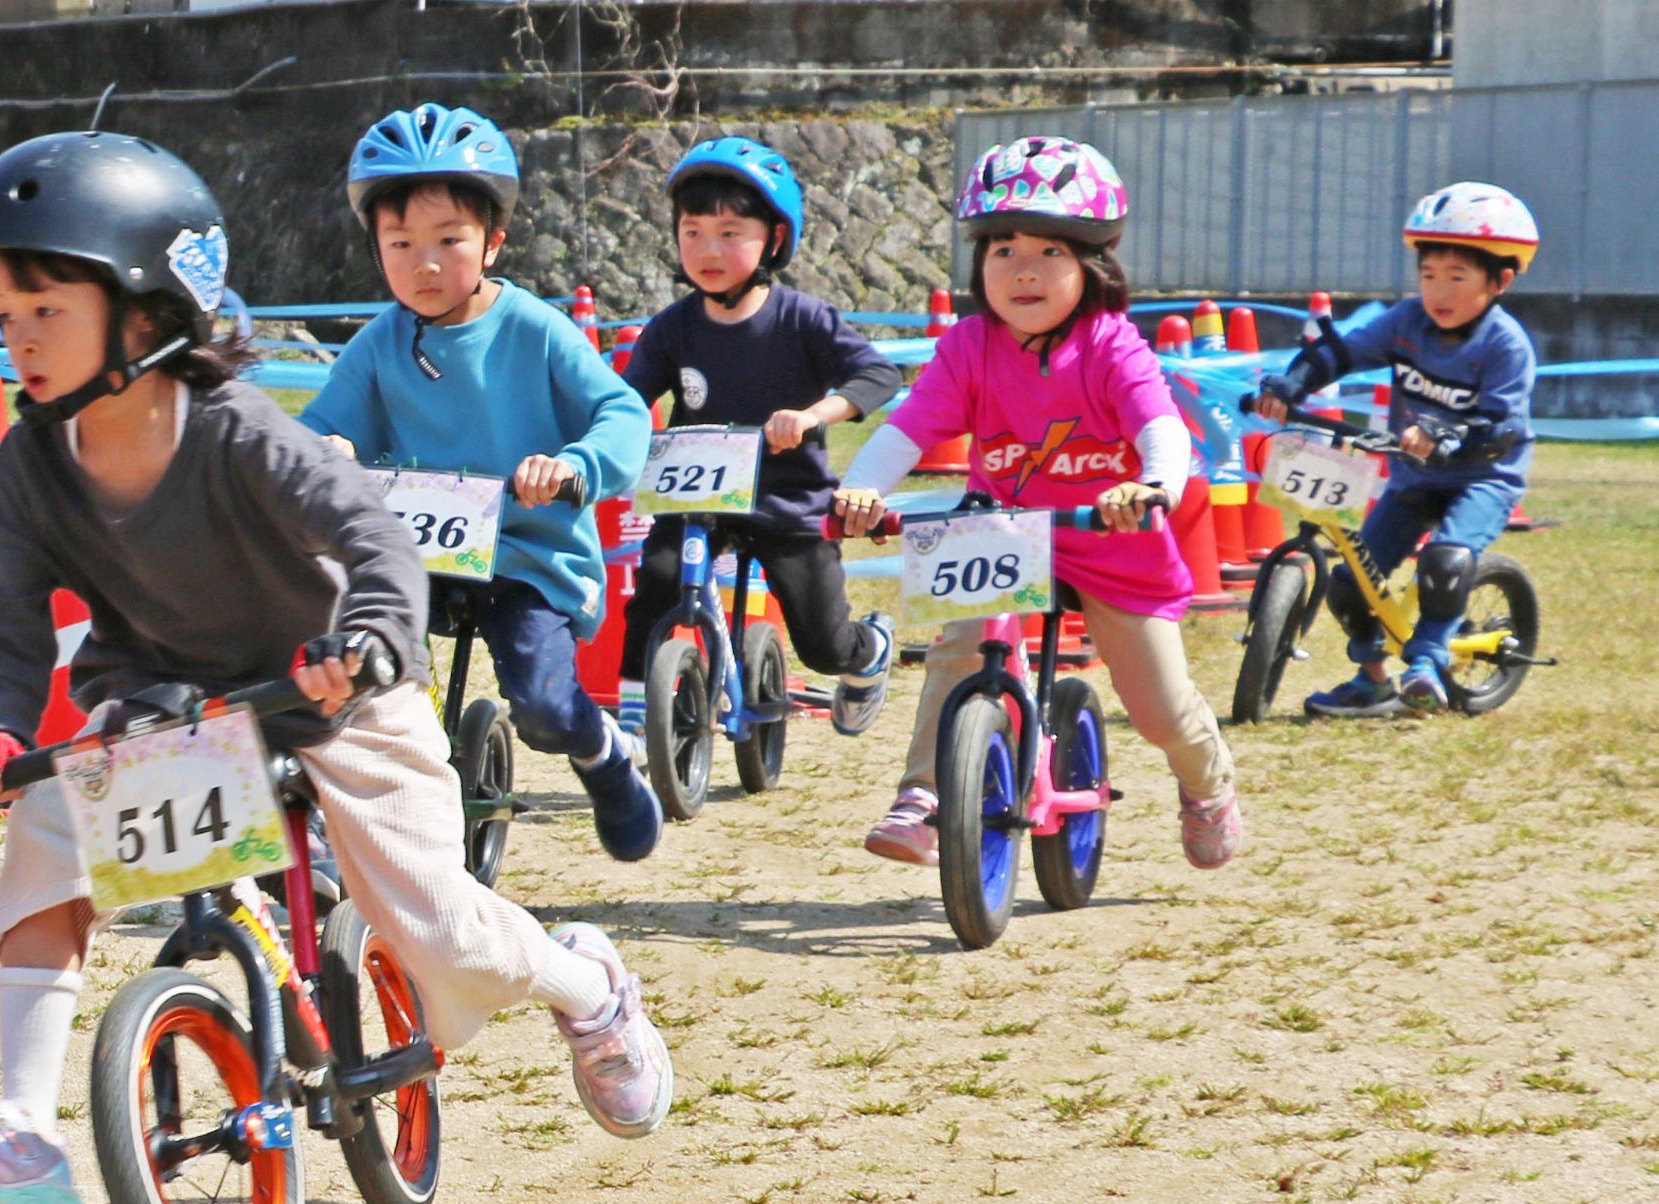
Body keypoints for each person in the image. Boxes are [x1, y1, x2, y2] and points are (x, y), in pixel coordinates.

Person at [0, 131, 672, 1204]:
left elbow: (369, 533)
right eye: (5, 313)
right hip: (174, 706)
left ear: (148, 312)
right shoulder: (28, 467)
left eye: (48, 309)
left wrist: (371, 633)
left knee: (442, 933)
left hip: (337, 688)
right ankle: (21, 1127)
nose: (20, 338)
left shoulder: (231, 428)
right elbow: (5, 624)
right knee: (50, 828)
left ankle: (585, 985)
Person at [834, 136, 1242, 871]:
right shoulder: (968, 346)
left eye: (1050, 251)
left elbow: (1160, 425)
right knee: (959, 649)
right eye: (1003, 250)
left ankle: (1207, 785)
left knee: (1160, 709)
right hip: (1006, 534)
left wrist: (1152, 486)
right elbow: (907, 429)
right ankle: (924, 795)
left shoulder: (1111, 344)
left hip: (1113, 542)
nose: (1023, 270)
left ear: (1092, 265)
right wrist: (860, 489)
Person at [297, 103, 661, 861]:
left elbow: (621, 412)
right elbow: (317, 426)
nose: (424, 264)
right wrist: (324, 447)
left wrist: (574, 466)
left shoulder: (535, 328)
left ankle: (604, 755)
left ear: (494, 241)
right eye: (401, 244)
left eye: (449, 240)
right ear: (376, 249)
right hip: (411, 556)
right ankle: (337, 810)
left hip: (524, 555)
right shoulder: (379, 344)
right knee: (345, 660)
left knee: (544, 708)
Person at [614, 136, 904, 738]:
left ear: (772, 239)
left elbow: (878, 375)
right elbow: (624, 399)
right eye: (692, 232)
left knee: (822, 644)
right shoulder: (672, 328)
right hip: (696, 498)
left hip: (786, 500)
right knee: (657, 583)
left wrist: (813, 415)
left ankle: (869, 648)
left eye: (729, 233)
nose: (707, 249)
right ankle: (635, 719)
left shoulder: (803, 318)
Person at [1255, 182, 1541, 716]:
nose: (1439, 291)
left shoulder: (1506, 345)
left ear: (1500, 281)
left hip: (1483, 477)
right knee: (1349, 583)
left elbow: (1499, 426)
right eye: (1428, 275)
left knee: (1446, 561)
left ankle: (1427, 665)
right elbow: (1343, 352)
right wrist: (1289, 387)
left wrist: (1442, 435)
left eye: (1457, 276)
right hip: (1414, 476)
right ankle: (1372, 681)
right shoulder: (1408, 322)